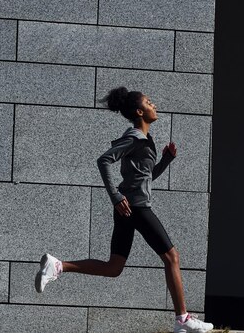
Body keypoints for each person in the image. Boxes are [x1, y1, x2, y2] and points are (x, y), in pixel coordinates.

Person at [34, 87, 213, 333]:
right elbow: (104, 160)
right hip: (136, 207)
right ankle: (182, 320)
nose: (155, 105)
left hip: (128, 208)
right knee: (172, 257)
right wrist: (115, 196)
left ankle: (58, 266)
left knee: (113, 268)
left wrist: (165, 162)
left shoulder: (145, 140)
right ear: (140, 111)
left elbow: (145, 178)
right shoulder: (135, 137)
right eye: (150, 102)